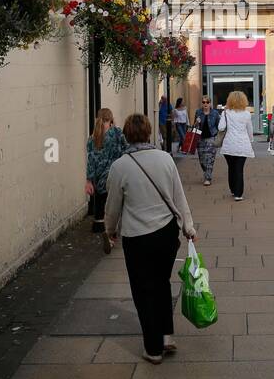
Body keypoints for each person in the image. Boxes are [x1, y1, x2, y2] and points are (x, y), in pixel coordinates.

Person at [105, 114, 196, 363]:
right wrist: (188, 226)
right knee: (161, 283)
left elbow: (112, 206)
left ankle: (153, 348)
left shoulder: (120, 166)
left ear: (126, 135)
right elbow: (178, 196)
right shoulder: (165, 159)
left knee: (143, 290)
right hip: (166, 233)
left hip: (137, 238)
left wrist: (109, 230)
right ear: (147, 133)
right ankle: (167, 335)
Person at [85, 108, 126, 250]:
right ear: (111, 119)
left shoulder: (92, 138)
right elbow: (126, 149)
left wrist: (89, 181)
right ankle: (111, 235)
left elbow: (90, 162)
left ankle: (106, 233)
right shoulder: (117, 133)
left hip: (99, 180)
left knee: (104, 208)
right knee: (115, 208)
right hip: (115, 176)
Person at [217, 89, 255, 199]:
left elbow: (221, 127)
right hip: (242, 144)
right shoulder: (247, 114)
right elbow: (249, 130)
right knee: (239, 169)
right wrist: (250, 140)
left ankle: (233, 189)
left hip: (229, 144)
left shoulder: (226, 113)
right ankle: (238, 194)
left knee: (231, 168)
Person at [193, 95, 221, 186]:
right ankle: (206, 172)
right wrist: (196, 122)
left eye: (207, 102)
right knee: (202, 160)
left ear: (210, 103)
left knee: (209, 159)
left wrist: (217, 137)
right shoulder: (198, 112)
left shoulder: (215, 113)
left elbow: (219, 126)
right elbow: (194, 127)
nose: (205, 104)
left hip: (211, 139)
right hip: (200, 139)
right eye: (203, 102)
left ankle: (207, 178)